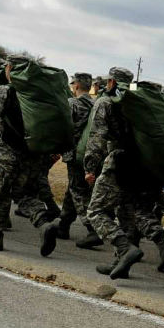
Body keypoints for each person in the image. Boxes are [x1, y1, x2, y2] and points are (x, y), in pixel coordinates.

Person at [85, 75, 164, 279]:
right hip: (144, 163)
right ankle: (122, 263)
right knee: (128, 212)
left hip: (119, 162)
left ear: (112, 82)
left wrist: (90, 167)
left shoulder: (106, 102)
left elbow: (97, 136)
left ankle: (124, 247)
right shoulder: (141, 103)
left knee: (96, 210)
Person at [0, 55, 61, 254]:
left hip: (7, 150)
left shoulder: (3, 91)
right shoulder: (42, 94)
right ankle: (44, 223)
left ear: (10, 69)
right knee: (24, 193)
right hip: (34, 153)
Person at [60, 71, 102, 249]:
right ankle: (63, 226)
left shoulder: (73, 103)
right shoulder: (95, 104)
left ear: (76, 85)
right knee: (73, 189)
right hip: (90, 154)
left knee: (78, 192)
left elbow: (65, 127)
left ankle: (93, 229)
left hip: (75, 154)